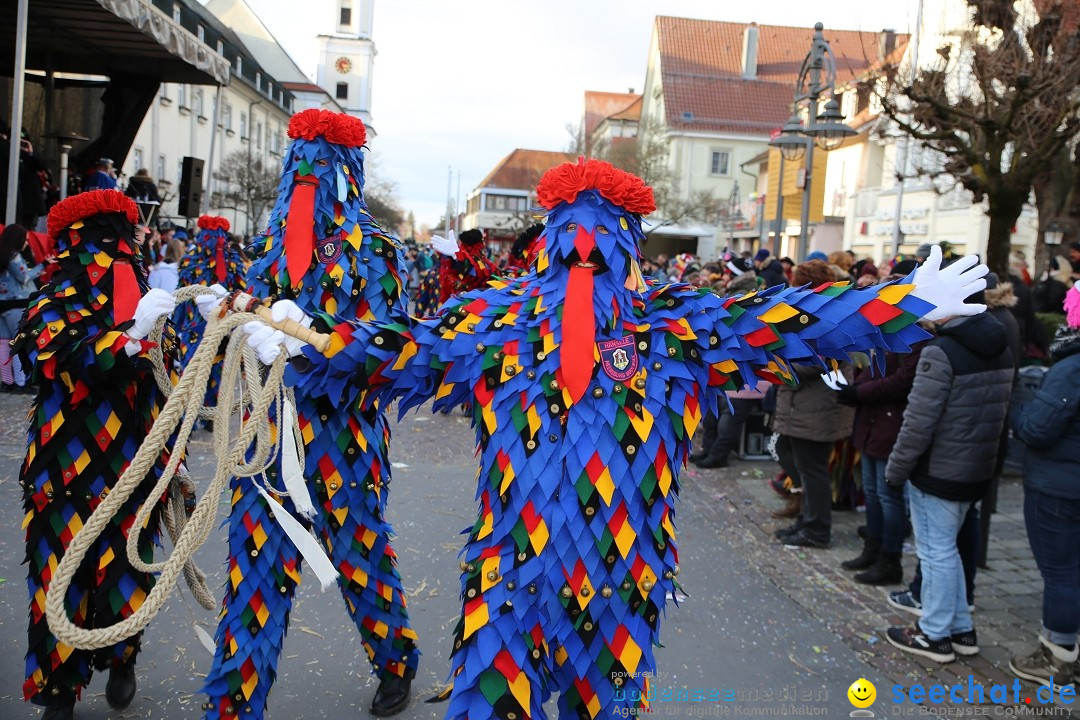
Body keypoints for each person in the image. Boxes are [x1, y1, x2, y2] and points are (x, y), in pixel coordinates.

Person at [245, 158, 987, 719]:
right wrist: (304, 337)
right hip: (511, 583)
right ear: (548, 247)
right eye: (571, 246)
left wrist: (906, 301)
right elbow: (400, 347)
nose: (584, 260)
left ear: (626, 246)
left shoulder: (676, 329)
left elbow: (786, 321)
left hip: (620, 588)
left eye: (600, 247)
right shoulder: (493, 325)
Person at [200, 110, 419, 720]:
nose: (306, 178)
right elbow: (248, 319)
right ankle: (234, 707)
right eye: (296, 164)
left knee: (359, 558)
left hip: (343, 437)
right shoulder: (269, 248)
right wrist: (230, 319)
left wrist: (316, 340)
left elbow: (391, 339)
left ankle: (395, 659)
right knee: (254, 573)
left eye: (319, 166)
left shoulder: (377, 252)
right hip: (268, 436)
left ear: (345, 173)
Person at [15, 190, 178, 720]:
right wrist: (129, 339)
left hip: (134, 455)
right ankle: (58, 685)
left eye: (124, 236)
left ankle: (122, 653)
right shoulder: (52, 299)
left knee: (127, 561)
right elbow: (63, 357)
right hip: (66, 460)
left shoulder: (144, 294)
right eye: (106, 237)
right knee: (60, 566)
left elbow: (167, 375)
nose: (119, 249)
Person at [884, 289, 1014, 663]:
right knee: (948, 549)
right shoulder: (998, 345)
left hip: (940, 468)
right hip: (976, 465)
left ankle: (934, 632)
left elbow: (918, 422)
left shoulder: (941, 353)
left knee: (936, 551)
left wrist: (897, 469)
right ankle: (959, 628)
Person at [1009, 285, 1080, 691]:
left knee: (1061, 573)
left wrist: (1018, 413)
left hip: (1059, 486)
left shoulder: (1071, 367)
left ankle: (1057, 656)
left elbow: (1038, 428)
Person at [771, 259, 856, 549]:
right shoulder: (818, 312)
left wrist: (777, 364)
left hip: (817, 406)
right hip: (806, 405)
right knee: (795, 457)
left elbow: (815, 361)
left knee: (813, 470)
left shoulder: (827, 317)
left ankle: (817, 528)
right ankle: (808, 519)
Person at [837, 335, 929, 585]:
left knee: (889, 497)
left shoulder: (915, 338)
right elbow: (873, 370)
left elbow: (902, 382)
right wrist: (854, 389)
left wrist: (859, 392)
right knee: (873, 493)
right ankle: (873, 549)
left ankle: (889, 559)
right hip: (872, 424)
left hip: (890, 425)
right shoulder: (887, 335)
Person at [0, 224, 47, 391]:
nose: (26, 243)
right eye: (25, 239)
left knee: (4, 344)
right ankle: (21, 383)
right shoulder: (13, 256)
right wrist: (44, 265)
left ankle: (7, 382)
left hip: (2, 305)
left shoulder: (2, 255)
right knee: (20, 343)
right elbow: (25, 277)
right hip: (16, 304)